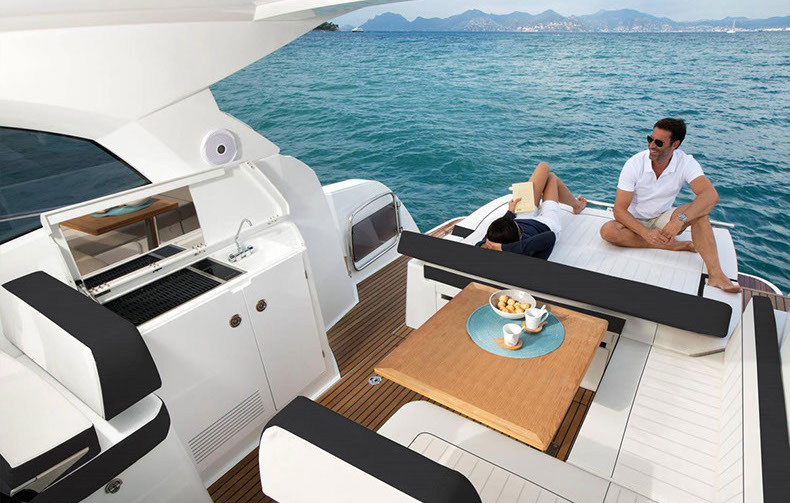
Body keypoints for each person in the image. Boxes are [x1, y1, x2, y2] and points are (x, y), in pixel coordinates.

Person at [599, 118, 741, 293]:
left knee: (701, 213)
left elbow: (710, 195)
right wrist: (646, 233)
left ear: (675, 145)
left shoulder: (685, 162)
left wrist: (679, 220)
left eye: (658, 143)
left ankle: (716, 275)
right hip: (634, 222)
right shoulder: (634, 164)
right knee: (607, 231)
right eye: (650, 139)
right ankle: (672, 245)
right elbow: (619, 211)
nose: (651, 145)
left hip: (663, 218)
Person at [477, 162, 586, 258]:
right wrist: (504, 248)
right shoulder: (527, 251)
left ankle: (574, 204)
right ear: (518, 240)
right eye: (519, 230)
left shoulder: (486, 244)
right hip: (546, 224)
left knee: (543, 167)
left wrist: (510, 213)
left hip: (521, 219)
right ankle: (577, 206)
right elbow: (550, 236)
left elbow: (495, 231)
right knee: (552, 178)